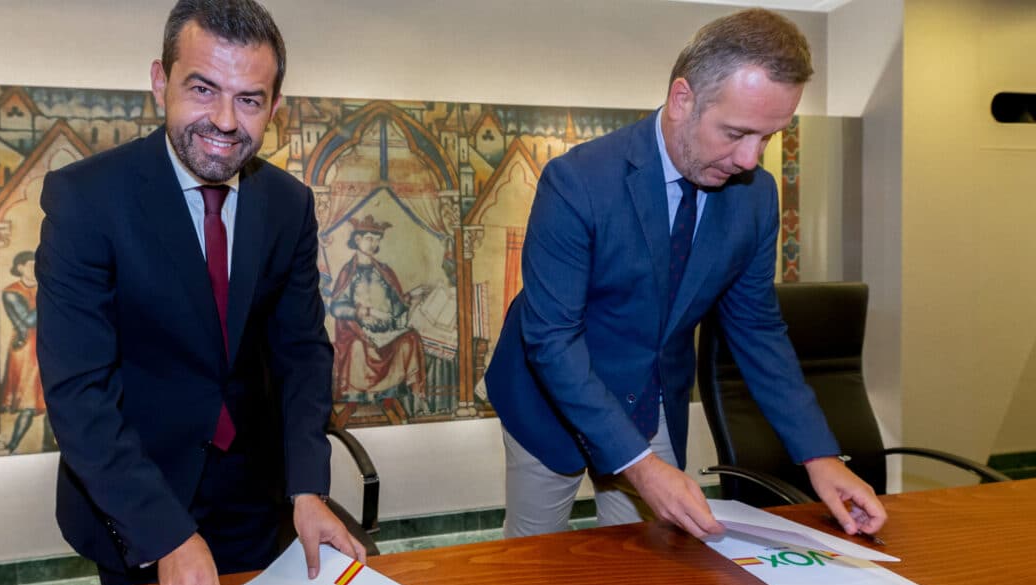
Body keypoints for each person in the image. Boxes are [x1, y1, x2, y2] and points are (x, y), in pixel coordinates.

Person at [484, 8, 886, 541]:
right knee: (533, 562)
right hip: (548, 401)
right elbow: (553, 339)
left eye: (768, 138)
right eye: (737, 133)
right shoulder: (577, 181)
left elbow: (757, 328)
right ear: (682, 99)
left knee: (647, 568)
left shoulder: (756, 197)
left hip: (652, 401)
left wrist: (819, 455)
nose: (750, 159)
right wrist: (640, 466)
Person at [36, 0, 365, 585]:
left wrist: (307, 487)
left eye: (249, 99)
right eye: (203, 89)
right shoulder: (86, 200)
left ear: (275, 106)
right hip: (132, 496)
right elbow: (79, 392)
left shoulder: (287, 205)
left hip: (254, 495)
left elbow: (300, 351)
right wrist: (165, 533)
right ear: (161, 82)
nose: (223, 120)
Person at [330, 215, 429, 417]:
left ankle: (412, 399)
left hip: (386, 334)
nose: (374, 243)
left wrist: (411, 299)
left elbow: (396, 308)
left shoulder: (384, 272)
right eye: (369, 238)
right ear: (357, 240)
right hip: (359, 334)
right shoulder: (349, 272)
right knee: (358, 348)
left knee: (410, 339)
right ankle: (357, 399)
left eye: (377, 239)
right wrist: (362, 312)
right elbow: (336, 308)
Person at [0, 250, 54, 454]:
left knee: (51, 402)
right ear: (20, 267)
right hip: (26, 351)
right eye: (30, 263)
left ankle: (50, 448)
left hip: (47, 345)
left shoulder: (42, 288)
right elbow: (28, 321)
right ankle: (13, 446)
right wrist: (50, 292)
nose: (34, 267)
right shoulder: (11, 292)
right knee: (28, 403)